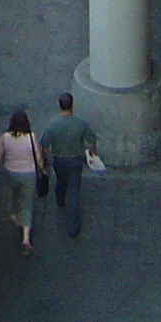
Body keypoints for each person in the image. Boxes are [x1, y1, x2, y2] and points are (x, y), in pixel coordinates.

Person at [0, 107, 48, 255]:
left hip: (11, 172)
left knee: (14, 194)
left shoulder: (5, 138)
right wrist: (43, 170)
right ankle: (26, 238)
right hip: (28, 173)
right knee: (27, 204)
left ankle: (15, 215)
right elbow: (38, 158)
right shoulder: (31, 137)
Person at [42, 92, 97, 238]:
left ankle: (60, 199)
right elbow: (91, 141)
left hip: (59, 160)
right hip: (75, 160)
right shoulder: (80, 123)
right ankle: (73, 227)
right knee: (73, 192)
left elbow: (45, 146)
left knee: (60, 181)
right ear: (72, 104)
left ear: (59, 105)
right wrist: (92, 153)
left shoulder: (52, 125)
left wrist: (45, 161)